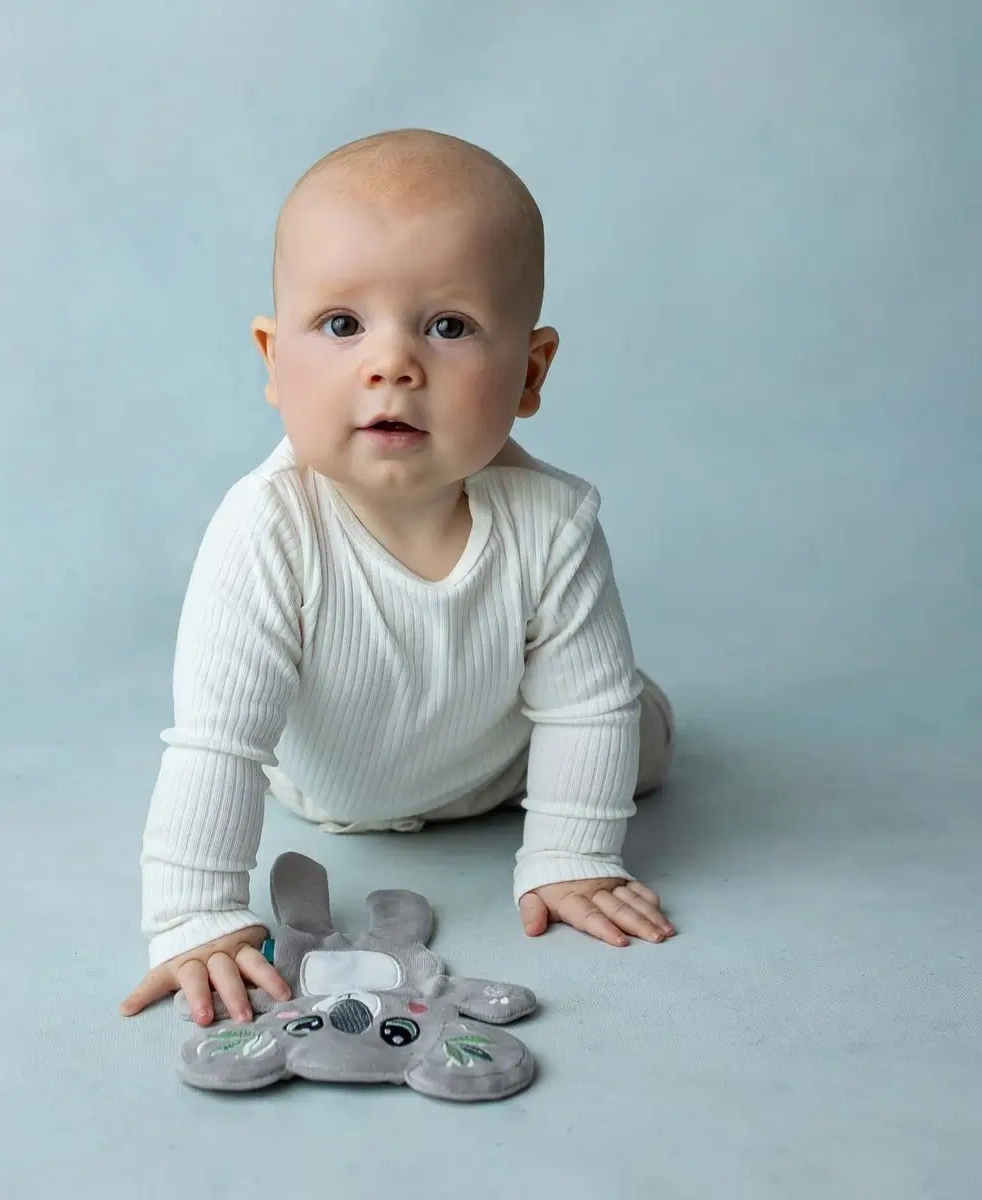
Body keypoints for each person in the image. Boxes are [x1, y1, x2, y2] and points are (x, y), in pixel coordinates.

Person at [120, 128, 677, 1025]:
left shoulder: (555, 522)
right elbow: (218, 743)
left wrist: (572, 854)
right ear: (273, 359)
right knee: (236, 739)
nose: (392, 365)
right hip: (322, 786)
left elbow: (582, 715)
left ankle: (634, 718)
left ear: (529, 373)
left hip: (506, 760)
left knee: (622, 730)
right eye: (342, 325)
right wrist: (195, 916)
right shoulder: (267, 527)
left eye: (448, 326)